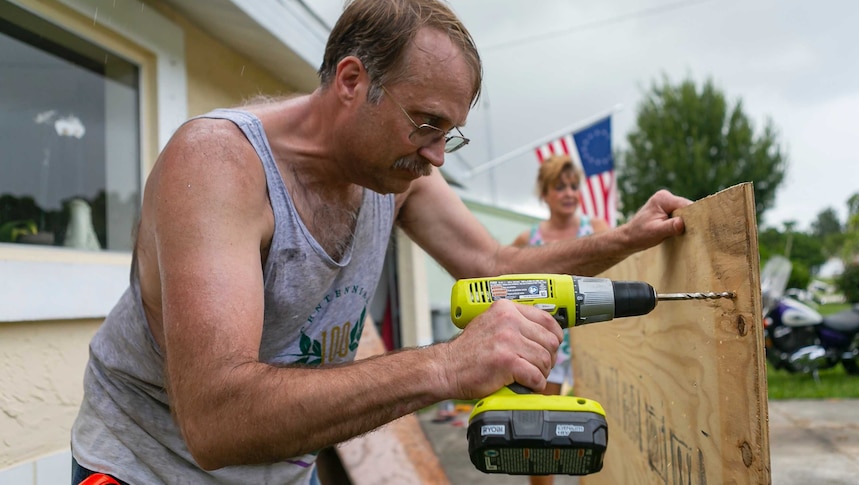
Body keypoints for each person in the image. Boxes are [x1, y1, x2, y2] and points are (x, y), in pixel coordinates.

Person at [69, 0, 692, 483]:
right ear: (350, 79)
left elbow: (495, 262)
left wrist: (628, 238)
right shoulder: (219, 167)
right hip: (148, 468)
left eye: (451, 133)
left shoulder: (394, 175)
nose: (437, 155)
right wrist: (448, 363)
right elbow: (216, 419)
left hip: (281, 470)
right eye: (427, 123)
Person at [513, 154, 608, 485]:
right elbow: (502, 279)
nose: (569, 193)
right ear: (545, 193)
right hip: (547, 344)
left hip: (591, 342)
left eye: (573, 186)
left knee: (598, 420)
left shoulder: (595, 229)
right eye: (559, 187)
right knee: (539, 425)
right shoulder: (529, 240)